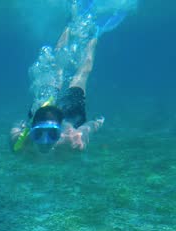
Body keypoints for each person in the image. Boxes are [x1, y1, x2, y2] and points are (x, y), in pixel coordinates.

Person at [11, 21, 107, 154]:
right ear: (30, 131)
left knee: (72, 73)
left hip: (67, 112)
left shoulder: (73, 142)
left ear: (61, 131)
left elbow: (87, 129)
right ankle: (82, 30)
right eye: (38, 134)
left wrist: (97, 122)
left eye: (52, 134)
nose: (45, 142)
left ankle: (88, 33)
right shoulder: (20, 144)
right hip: (69, 113)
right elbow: (17, 127)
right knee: (71, 74)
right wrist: (98, 121)